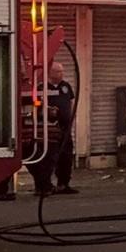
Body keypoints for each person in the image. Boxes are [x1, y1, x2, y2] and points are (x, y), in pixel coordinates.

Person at [47, 62, 78, 195]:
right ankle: (45, 185)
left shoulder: (66, 86)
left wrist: (72, 118)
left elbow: (70, 102)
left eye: (62, 71)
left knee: (66, 155)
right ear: (50, 72)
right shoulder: (43, 87)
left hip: (65, 128)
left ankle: (63, 184)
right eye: (58, 71)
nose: (61, 74)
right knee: (50, 156)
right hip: (50, 129)